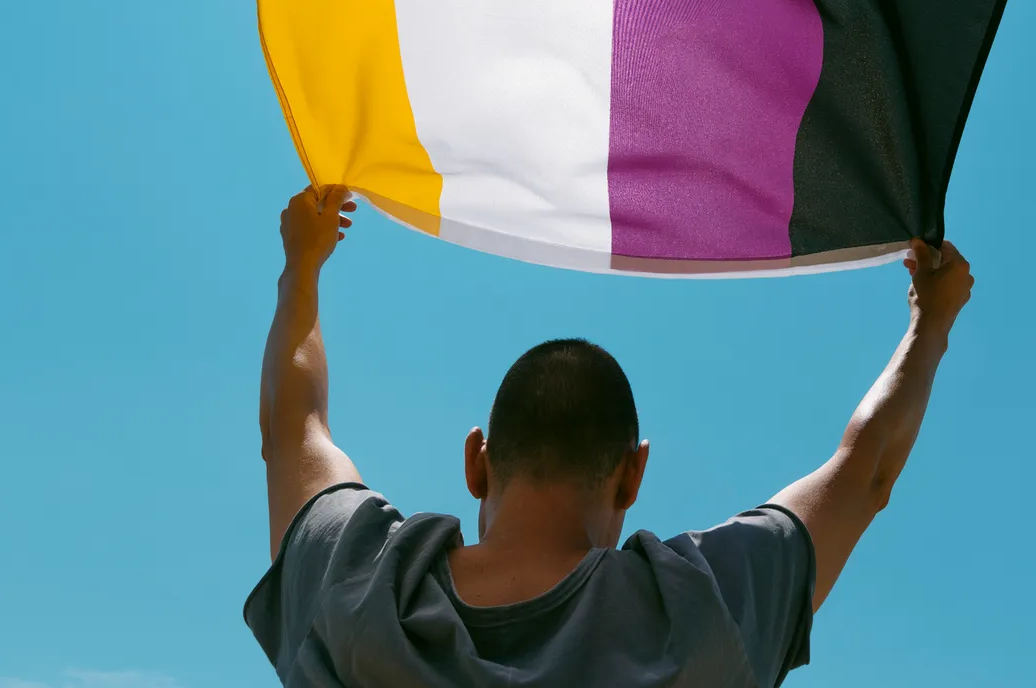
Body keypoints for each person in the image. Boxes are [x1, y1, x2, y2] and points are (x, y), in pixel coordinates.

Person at [248, 185, 974, 687]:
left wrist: (300, 267)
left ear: (478, 462)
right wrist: (930, 323)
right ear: (633, 475)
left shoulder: (358, 584)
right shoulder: (696, 615)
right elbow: (865, 471)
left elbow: (292, 427)